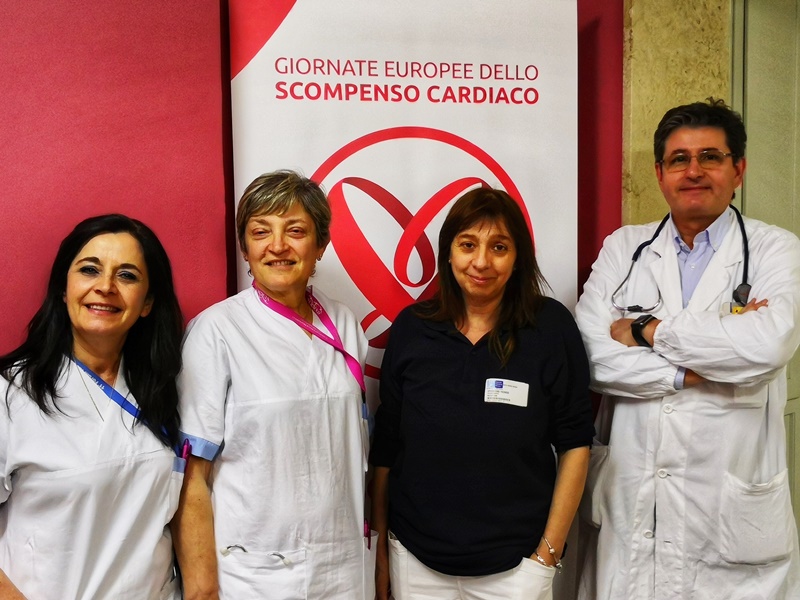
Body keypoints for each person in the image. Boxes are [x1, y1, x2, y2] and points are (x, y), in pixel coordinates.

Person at [575, 98, 800, 599]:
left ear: (738, 169)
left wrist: (647, 330)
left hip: (730, 522)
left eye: (710, 157)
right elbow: (589, 355)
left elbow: (767, 344)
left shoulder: (776, 249)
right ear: (660, 173)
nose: (693, 171)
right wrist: (686, 371)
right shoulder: (624, 248)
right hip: (632, 506)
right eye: (679, 159)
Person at [369, 187, 594, 600]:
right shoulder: (413, 329)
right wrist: (382, 550)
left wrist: (548, 553)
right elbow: (386, 447)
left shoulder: (549, 328)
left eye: (499, 247)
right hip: (415, 562)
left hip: (516, 569)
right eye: (468, 245)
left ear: (518, 256)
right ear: (448, 253)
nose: (482, 262)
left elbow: (576, 444)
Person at [173, 170, 372, 600]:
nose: (278, 246)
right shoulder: (216, 331)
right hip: (256, 573)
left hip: (344, 566)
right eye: (261, 232)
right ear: (245, 248)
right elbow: (192, 479)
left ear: (321, 245)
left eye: (295, 231)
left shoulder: (345, 324)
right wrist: (201, 588)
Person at [0, 214, 185, 599]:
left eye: (127, 276)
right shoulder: (10, 393)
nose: (105, 287)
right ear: (63, 289)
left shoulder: (168, 389)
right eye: (89, 270)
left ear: (148, 302)